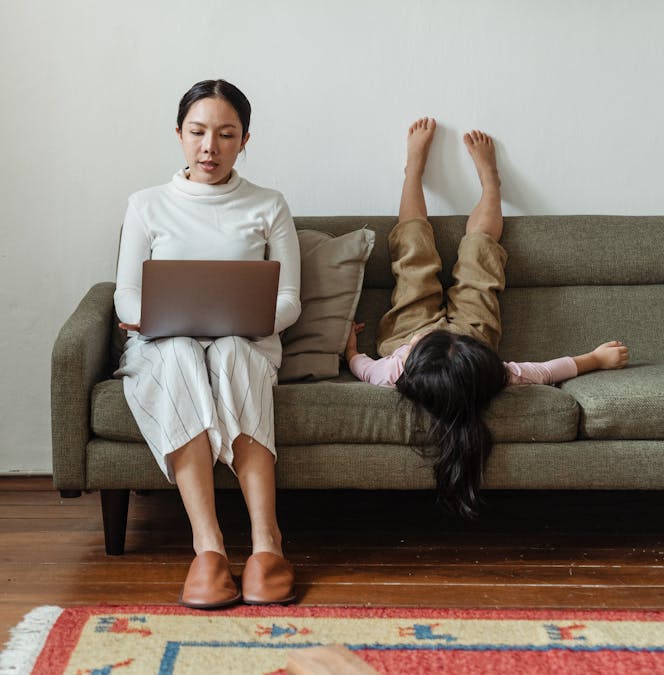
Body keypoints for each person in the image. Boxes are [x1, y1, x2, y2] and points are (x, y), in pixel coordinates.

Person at [345, 118, 629, 519]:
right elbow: (546, 371)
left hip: (409, 334)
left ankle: (413, 172)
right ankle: (491, 184)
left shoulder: (395, 369)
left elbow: (363, 369)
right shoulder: (491, 371)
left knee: (412, 256)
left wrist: (350, 348)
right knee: (481, 255)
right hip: (471, 337)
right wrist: (595, 359)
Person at [114, 79, 301, 608]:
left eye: (225, 134)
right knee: (177, 356)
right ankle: (208, 548)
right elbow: (126, 294)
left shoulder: (269, 205)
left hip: (247, 339)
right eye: (197, 132)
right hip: (163, 342)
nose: (209, 147)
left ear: (245, 140)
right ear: (179, 134)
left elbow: (289, 299)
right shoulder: (146, 204)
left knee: (233, 354)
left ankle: (267, 544)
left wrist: (248, 322)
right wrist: (153, 318)